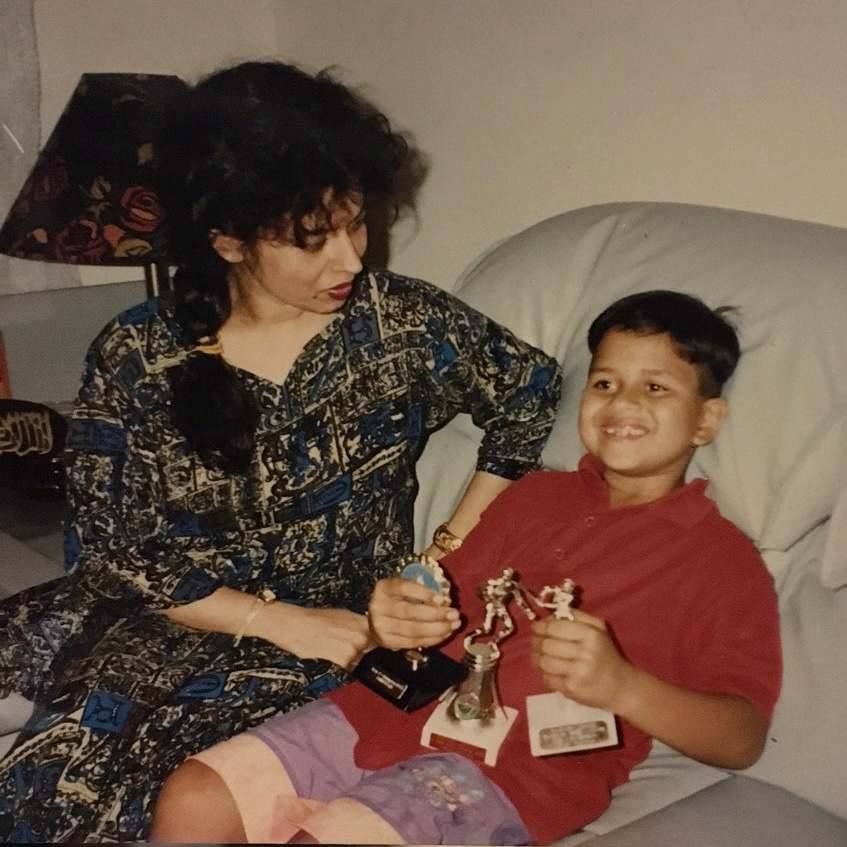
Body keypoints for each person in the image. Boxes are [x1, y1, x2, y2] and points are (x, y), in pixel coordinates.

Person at [0, 61, 561, 843]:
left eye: (355, 221)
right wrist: (273, 617)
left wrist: (441, 551)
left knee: (134, 789)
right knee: (48, 776)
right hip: (172, 607)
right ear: (226, 240)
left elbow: (528, 396)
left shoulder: (401, 327)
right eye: (312, 238)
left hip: (333, 629)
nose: (350, 259)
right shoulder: (138, 351)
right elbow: (115, 548)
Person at [150, 290, 782, 846]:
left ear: (707, 419)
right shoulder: (533, 495)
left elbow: (742, 737)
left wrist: (622, 686)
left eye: (656, 388)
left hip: (518, 771)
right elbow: (441, 599)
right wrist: (399, 613)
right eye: (605, 382)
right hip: (389, 709)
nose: (621, 403)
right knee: (194, 794)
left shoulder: (723, 561)